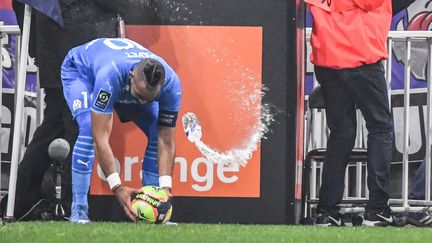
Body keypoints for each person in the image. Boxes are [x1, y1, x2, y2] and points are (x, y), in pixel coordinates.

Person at [0, 0, 118, 220]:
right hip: (84, 44)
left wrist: (36, 45)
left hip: (55, 46)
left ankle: (22, 200)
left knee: (55, 123)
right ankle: (69, 204)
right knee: (76, 126)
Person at [61, 37, 182, 223]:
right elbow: (99, 138)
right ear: (132, 76)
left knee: (156, 130)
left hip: (121, 82)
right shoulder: (111, 74)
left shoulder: (171, 85)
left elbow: (166, 140)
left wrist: (165, 188)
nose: (143, 102)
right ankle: (79, 210)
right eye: (140, 96)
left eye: (150, 99)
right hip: (82, 73)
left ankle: (153, 201)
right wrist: (117, 187)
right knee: (87, 127)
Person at [305, 0, 400, 226]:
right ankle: (377, 209)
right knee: (380, 129)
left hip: (327, 62)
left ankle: (327, 211)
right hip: (362, 59)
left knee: (341, 134)